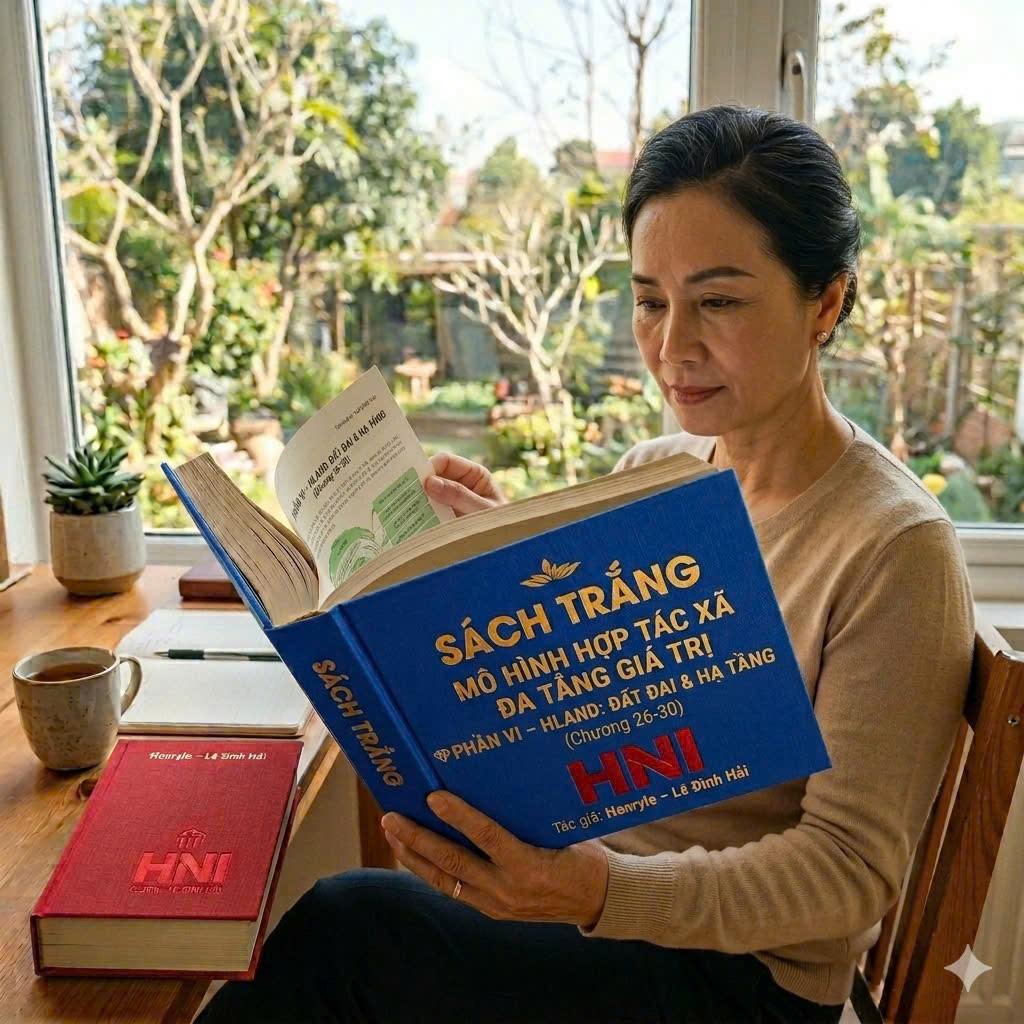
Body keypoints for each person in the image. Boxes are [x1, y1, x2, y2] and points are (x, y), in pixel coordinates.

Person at [196, 105, 975, 1024]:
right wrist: (487, 555)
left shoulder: (894, 547)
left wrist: (598, 893)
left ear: (826, 304)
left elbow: (846, 873)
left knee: (350, 931)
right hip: (596, 916)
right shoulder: (658, 473)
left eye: (719, 301)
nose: (672, 347)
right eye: (650, 301)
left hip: (739, 982)